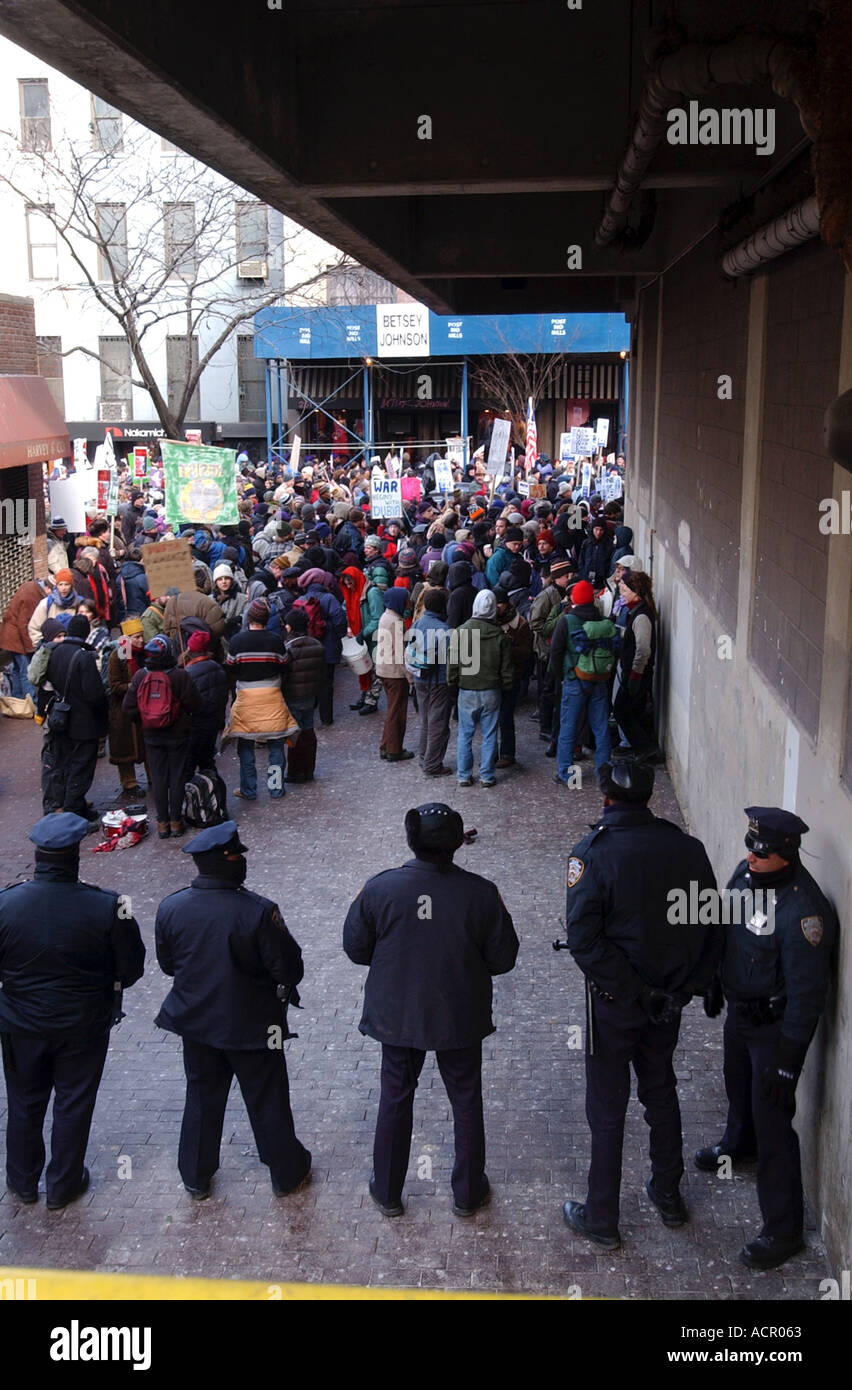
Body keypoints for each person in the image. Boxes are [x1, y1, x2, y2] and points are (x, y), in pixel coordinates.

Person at [560, 761, 721, 1250]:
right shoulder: (685, 849)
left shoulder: (592, 854)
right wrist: (691, 986)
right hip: (667, 1004)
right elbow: (709, 923)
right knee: (660, 1090)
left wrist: (633, 990)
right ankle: (667, 1192)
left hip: (616, 1004)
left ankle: (602, 1215)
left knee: (607, 1108)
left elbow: (584, 942)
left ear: (606, 798)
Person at [343, 804, 518, 1216]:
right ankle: (468, 1191)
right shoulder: (481, 892)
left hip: (398, 1014)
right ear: (457, 843)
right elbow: (503, 958)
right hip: (459, 1013)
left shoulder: (380, 888)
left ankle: (387, 1190)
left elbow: (356, 948)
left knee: (395, 1098)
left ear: (411, 841)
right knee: (465, 1099)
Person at [695, 808, 839, 1270]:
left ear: (787, 854)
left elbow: (807, 995)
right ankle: (739, 1145)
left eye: (763, 853)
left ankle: (783, 1229)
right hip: (740, 1013)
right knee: (736, 1085)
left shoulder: (804, 913)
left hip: (773, 1031)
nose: (752, 858)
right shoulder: (745, 875)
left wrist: (788, 1060)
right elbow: (725, 925)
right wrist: (715, 978)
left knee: (775, 1123)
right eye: (751, 848)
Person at [154, 822, 311, 1200]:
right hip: (255, 1026)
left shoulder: (171, 907)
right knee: (268, 1097)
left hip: (197, 1024)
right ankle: (285, 1172)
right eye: (238, 855)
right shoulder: (258, 911)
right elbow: (289, 969)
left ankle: (195, 1174)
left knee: (202, 1097)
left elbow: (168, 965)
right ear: (228, 862)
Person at [0, 813, 145, 1208]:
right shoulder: (110, 906)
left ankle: (23, 1180)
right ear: (75, 855)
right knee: (74, 1102)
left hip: (20, 1024)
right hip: (83, 1024)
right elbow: (132, 968)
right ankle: (63, 1184)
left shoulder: (6, 904)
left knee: (24, 1101)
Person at [123, 634, 201, 838]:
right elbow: (195, 704)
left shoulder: (140, 676)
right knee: (176, 777)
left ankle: (162, 823)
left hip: (151, 736)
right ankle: (176, 821)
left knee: (158, 778)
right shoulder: (180, 676)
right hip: (177, 735)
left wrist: (145, 722)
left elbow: (128, 708)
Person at [223, 599, 299, 801]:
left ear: (249, 618)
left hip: (246, 698)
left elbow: (230, 668)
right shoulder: (275, 640)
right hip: (272, 696)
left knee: (245, 745)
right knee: (276, 744)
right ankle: (275, 788)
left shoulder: (237, 641)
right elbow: (285, 666)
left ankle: (249, 789)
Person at [41, 614, 109, 821]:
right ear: (86, 634)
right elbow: (94, 694)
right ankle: (73, 814)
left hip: (62, 720)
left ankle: (75, 807)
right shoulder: (84, 657)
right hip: (84, 723)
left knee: (66, 764)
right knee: (81, 768)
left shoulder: (54, 652)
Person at [447, 589, 513, 789]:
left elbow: (453, 663)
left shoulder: (460, 631)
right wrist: (508, 686)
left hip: (466, 689)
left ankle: (464, 775)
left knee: (465, 734)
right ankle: (487, 775)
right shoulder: (500, 635)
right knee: (490, 733)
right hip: (492, 690)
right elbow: (506, 667)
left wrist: (452, 683)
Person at [550, 580, 615, 783]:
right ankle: (603, 769)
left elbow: (556, 651)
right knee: (601, 726)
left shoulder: (567, 620)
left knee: (568, 726)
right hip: (599, 679)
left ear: (574, 598)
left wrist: (560, 677)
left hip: (574, 678)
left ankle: (565, 771)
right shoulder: (602, 621)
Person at [612, 569, 660, 760]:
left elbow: (643, 650)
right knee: (630, 711)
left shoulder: (641, 616)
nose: (622, 594)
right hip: (633, 671)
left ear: (636, 591)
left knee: (623, 710)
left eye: (624, 590)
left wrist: (634, 676)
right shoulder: (637, 612)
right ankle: (642, 749)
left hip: (637, 673)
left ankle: (645, 749)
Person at [281, 608, 326, 783]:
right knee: (308, 732)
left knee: (295, 736)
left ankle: (296, 771)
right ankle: (309, 769)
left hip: (293, 697)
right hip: (310, 697)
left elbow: (284, 676)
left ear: (290, 627)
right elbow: (321, 674)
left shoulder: (288, 648)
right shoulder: (317, 645)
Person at [106, 619, 148, 798]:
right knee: (126, 746)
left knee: (147, 744)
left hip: (144, 707)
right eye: (137, 637)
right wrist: (135, 685)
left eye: (142, 636)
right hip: (123, 710)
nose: (141, 640)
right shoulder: (118, 656)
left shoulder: (146, 654)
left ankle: (154, 776)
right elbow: (114, 685)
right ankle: (129, 782)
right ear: (127, 638)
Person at [182, 629, 229, 777]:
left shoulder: (189, 673)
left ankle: (188, 796)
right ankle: (214, 793)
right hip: (213, 723)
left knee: (189, 765)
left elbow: (187, 702)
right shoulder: (218, 669)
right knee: (207, 761)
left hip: (196, 725)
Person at [374, 588, 414, 762]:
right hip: (395, 673)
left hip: (384, 669)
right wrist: (411, 678)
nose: (408, 603)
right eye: (406, 600)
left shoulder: (386, 616)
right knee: (397, 712)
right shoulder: (396, 621)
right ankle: (394, 750)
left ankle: (386, 746)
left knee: (392, 709)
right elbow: (400, 654)